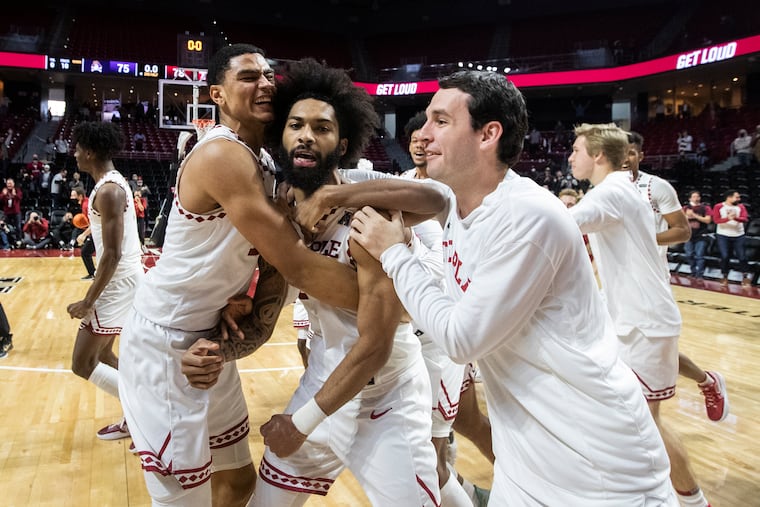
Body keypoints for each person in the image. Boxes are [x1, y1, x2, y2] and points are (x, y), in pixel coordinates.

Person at [321, 71, 675, 505]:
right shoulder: (457, 201)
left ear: (489, 134)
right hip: (526, 455)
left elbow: (460, 338)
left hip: (597, 463)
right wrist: (326, 195)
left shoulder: (526, 216)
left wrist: (396, 254)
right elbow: (403, 191)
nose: (423, 134)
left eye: (440, 121)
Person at [120, 44, 443, 507]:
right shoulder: (244, 171)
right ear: (217, 94)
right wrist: (224, 345)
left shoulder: (350, 197)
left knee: (235, 483)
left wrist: (395, 299)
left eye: (269, 74)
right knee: (188, 497)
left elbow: (438, 201)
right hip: (175, 342)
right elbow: (287, 278)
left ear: (345, 143)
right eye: (248, 77)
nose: (266, 83)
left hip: (384, 393)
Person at [240, 57, 440, 507]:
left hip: (385, 395)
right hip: (325, 379)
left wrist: (299, 423)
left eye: (322, 127)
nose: (307, 134)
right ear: (282, 136)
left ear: (342, 142)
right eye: (296, 125)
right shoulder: (276, 209)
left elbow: (375, 345)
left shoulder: (367, 210)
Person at [568, 122, 710, 507]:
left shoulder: (611, 193)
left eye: (577, 150)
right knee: (617, 417)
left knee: (647, 422)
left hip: (644, 322)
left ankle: (694, 501)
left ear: (598, 155)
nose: (570, 156)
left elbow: (556, 225)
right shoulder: (617, 191)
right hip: (629, 320)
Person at [402, 110, 490, 506]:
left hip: (445, 334)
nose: (422, 143)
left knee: (435, 447)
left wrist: (396, 252)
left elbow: (439, 268)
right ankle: (471, 492)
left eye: (430, 135)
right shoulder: (399, 186)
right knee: (440, 441)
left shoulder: (458, 191)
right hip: (414, 338)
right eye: (416, 138)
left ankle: (518, 489)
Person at [626, 132, 729, 423]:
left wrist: (639, 238)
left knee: (657, 355)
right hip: (610, 282)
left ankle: (707, 381)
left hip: (648, 282)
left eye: (631, 152)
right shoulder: (601, 190)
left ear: (641, 156)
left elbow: (683, 231)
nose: (625, 159)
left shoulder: (655, 187)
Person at [65, 121, 144, 441]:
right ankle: (137, 415)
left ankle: (143, 414)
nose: (74, 154)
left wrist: (88, 300)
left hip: (117, 282)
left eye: (78, 148)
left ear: (90, 151)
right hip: (124, 279)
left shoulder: (110, 190)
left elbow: (111, 254)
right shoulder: (110, 184)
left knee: (82, 364)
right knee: (106, 357)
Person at [713, 189, 750, 287]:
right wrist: (727, 219)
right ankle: (724, 276)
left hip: (738, 235)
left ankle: (745, 277)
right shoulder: (719, 206)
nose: (739, 199)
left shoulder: (741, 206)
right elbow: (716, 220)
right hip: (723, 234)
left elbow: (745, 218)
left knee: (742, 257)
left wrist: (734, 218)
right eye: (736, 197)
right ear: (729, 198)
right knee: (725, 256)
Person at [682, 190, 712, 281]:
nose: (696, 198)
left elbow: (708, 220)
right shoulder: (685, 208)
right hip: (688, 235)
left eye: (698, 196)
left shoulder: (705, 208)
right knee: (689, 254)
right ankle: (693, 272)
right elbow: (680, 220)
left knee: (700, 255)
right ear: (690, 198)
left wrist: (694, 215)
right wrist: (687, 217)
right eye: (694, 196)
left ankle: (700, 275)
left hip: (701, 235)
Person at [71, 186, 96, 280]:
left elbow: (94, 223)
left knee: (85, 252)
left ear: (80, 196)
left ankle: (94, 274)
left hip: (98, 232)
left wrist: (84, 234)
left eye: (73, 196)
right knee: (86, 252)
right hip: (95, 231)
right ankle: (93, 273)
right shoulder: (85, 203)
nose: (71, 198)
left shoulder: (86, 205)